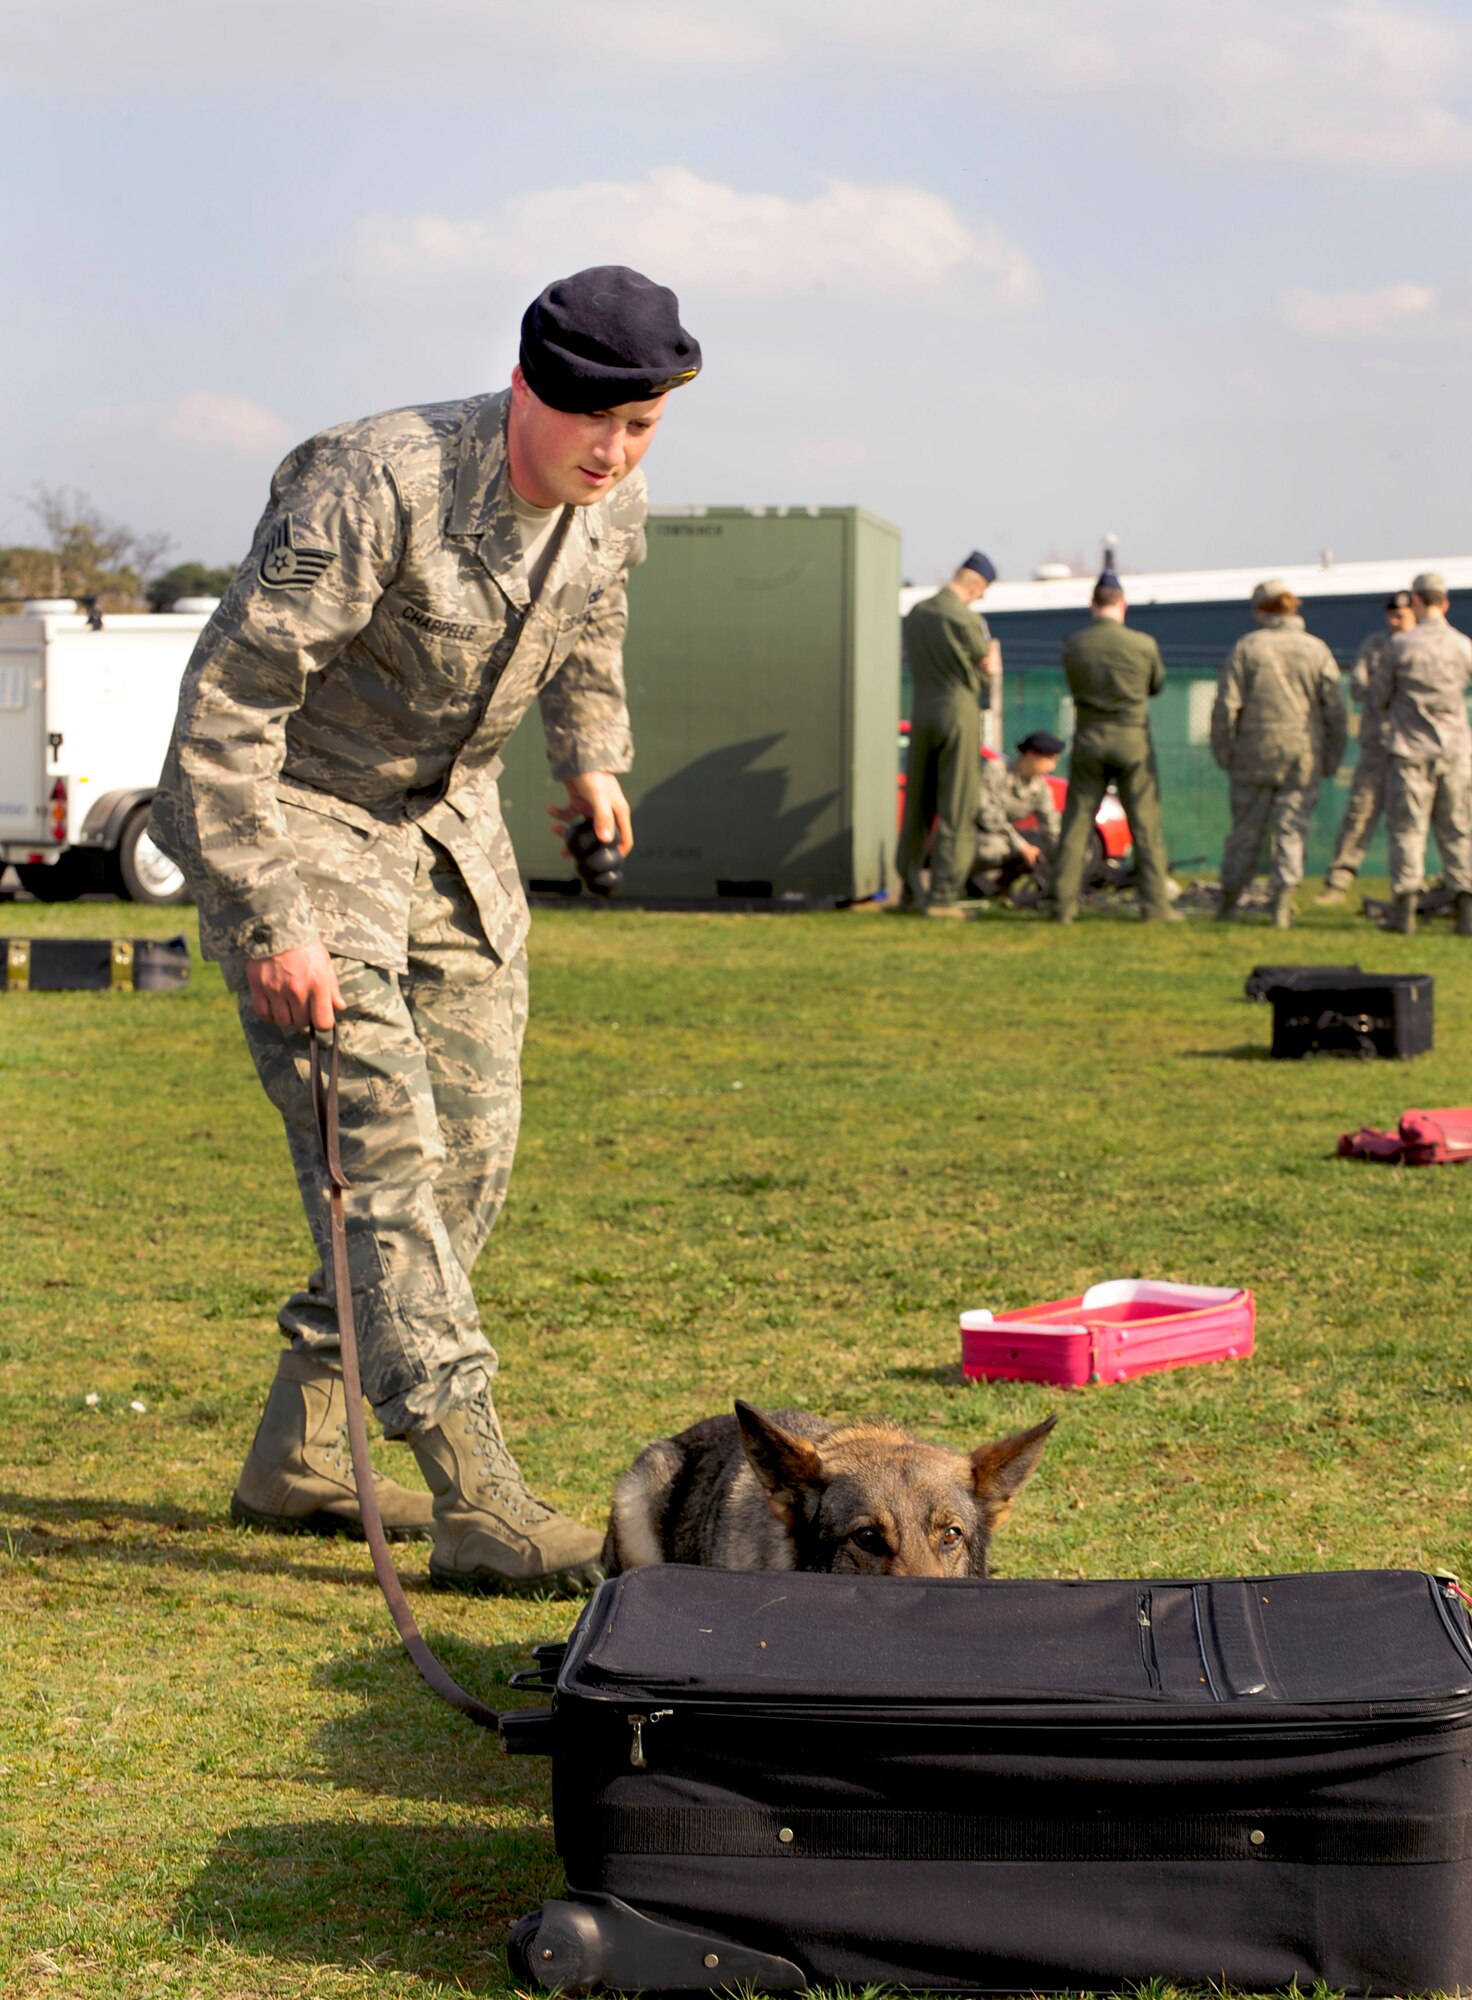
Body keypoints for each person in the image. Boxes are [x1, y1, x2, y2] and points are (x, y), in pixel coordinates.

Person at [149, 265, 701, 1597]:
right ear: (528, 389)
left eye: (645, 428)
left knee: (470, 1159)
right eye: (596, 426)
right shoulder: (372, 482)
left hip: (450, 837)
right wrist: (265, 914)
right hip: (304, 821)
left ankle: (305, 1451)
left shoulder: (608, 502)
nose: (617, 455)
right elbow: (227, 709)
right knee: (381, 1152)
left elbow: (596, 628)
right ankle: (480, 1502)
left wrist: (591, 763)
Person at [1210, 580, 1346, 929]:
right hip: (1302, 755)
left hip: (1253, 755)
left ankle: (1228, 903)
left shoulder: (1248, 648)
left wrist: (1224, 750)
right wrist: (1332, 755)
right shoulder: (1316, 650)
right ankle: (1282, 907)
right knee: (1291, 831)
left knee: (1245, 832)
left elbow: (1227, 705)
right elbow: (1334, 709)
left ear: (1260, 610)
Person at [1051, 570, 1176, 922]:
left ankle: (1062, 904)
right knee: (1145, 824)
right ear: (1124, 604)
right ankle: (1155, 907)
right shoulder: (1143, 644)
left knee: (1077, 822)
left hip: (1089, 738)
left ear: (1093, 605)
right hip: (1132, 740)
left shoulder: (1074, 644)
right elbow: (1156, 685)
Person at [1363, 571, 1472, 935]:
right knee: (1458, 829)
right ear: (1446, 602)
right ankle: (1466, 910)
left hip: (1410, 750)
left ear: (1417, 600)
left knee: (1408, 829)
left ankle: (1405, 910)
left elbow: (1378, 697)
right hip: (1455, 751)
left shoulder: (1401, 646)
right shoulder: (1463, 646)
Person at [894, 552, 1000, 917]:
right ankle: (942, 895)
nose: (980, 599)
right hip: (958, 710)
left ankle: (909, 890)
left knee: (917, 805)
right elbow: (984, 670)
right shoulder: (967, 619)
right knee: (957, 803)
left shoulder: (918, 613)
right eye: (981, 591)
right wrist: (991, 667)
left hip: (922, 709)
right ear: (974, 584)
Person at [1317, 591, 1416, 905]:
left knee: (1414, 819)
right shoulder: (1375, 645)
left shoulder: (1424, 646)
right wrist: (1390, 686)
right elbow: (1360, 688)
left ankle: (1417, 891)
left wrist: (1387, 684)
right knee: (1359, 814)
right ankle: (1338, 884)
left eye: (1401, 615)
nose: (1395, 620)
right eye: (1391, 615)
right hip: (1377, 745)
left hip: (1416, 748)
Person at [968, 729, 1063, 899]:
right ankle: (965, 877)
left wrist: (1064, 857)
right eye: (1049, 760)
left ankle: (1002, 886)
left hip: (1004, 835)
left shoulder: (1040, 788)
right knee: (995, 849)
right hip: (975, 833)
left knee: (1041, 847)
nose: (1052, 767)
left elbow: (1051, 826)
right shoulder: (995, 770)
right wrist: (1021, 846)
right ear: (1031, 755)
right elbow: (987, 814)